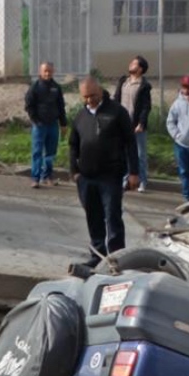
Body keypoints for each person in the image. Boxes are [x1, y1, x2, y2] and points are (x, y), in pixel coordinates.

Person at [70, 75, 139, 267]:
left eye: (92, 95)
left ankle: (117, 257)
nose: (89, 100)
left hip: (110, 176)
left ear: (100, 91)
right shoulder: (81, 116)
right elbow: (73, 145)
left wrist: (134, 172)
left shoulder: (117, 112)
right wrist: (74, 171)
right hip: (86, 178)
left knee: (112, 216)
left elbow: (130, 143)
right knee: (93, 217)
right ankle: (97, 255)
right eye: (85, 97)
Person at [23, 62, 68, 188]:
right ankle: (35, 178)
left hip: (53, 125)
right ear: (40, 72)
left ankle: (47, 176)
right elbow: (29, 105)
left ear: (53, 72)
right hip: (39, 125)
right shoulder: (35, 87)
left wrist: (63, 124)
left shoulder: (56, 87)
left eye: (49, 71)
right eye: (45, 71)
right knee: (37, 152)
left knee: (51, 152)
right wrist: (35, 120)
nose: (47, 73)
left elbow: (61, 106)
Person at [113, 55, 153, 192]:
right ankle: (126, 181)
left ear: (140, 69)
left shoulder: (144, 86)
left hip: (136, 126)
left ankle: (141, 181)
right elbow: (116, 100)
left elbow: (146, 107)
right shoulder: (124, 81)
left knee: (140, 154)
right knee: (123, 153)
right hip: (122, 124)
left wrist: (141, 123)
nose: (131, 64)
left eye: (134, 63)